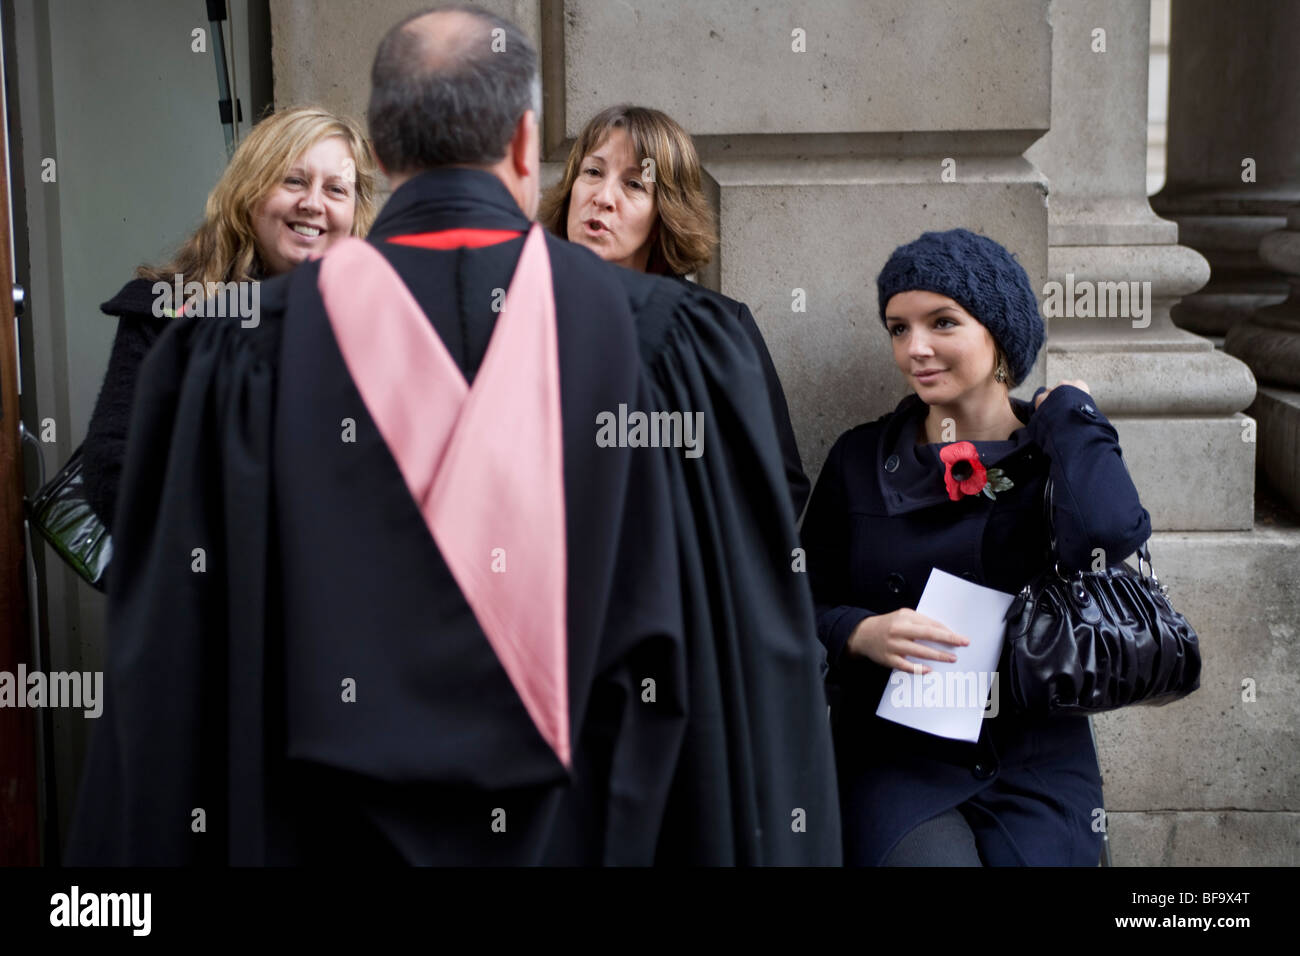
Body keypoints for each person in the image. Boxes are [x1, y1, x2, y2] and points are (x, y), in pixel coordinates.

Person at [67, 2, 838, 866]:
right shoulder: (676, 347)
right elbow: (747, 670)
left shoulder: (233, 356)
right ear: (523, 145)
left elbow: (170, 682)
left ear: (384, 157)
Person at [801, 228, 1152, 866]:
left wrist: (1073, 415)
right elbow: (794, 596)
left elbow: (1110, 534)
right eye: (898, 328)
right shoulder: (860, 458)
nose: (916, 349)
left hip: (1036, 753)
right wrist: (860, 632)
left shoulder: (1054, 454)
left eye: (941, 322)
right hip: (898, 755)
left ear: (999, 338)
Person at [81, 106, 378, 532]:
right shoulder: (169, 310)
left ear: (354, 213)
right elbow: (116, 469)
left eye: (336, 189)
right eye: (293, 180)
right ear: (249, 192)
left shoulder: (381, 324)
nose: (313, 203)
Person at [539, 105, 810, 515]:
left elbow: (777, 486)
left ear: (664, 212)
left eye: (633, 184)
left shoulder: (717, 328)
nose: (603, 198)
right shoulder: (520, 317)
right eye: (592, 172)